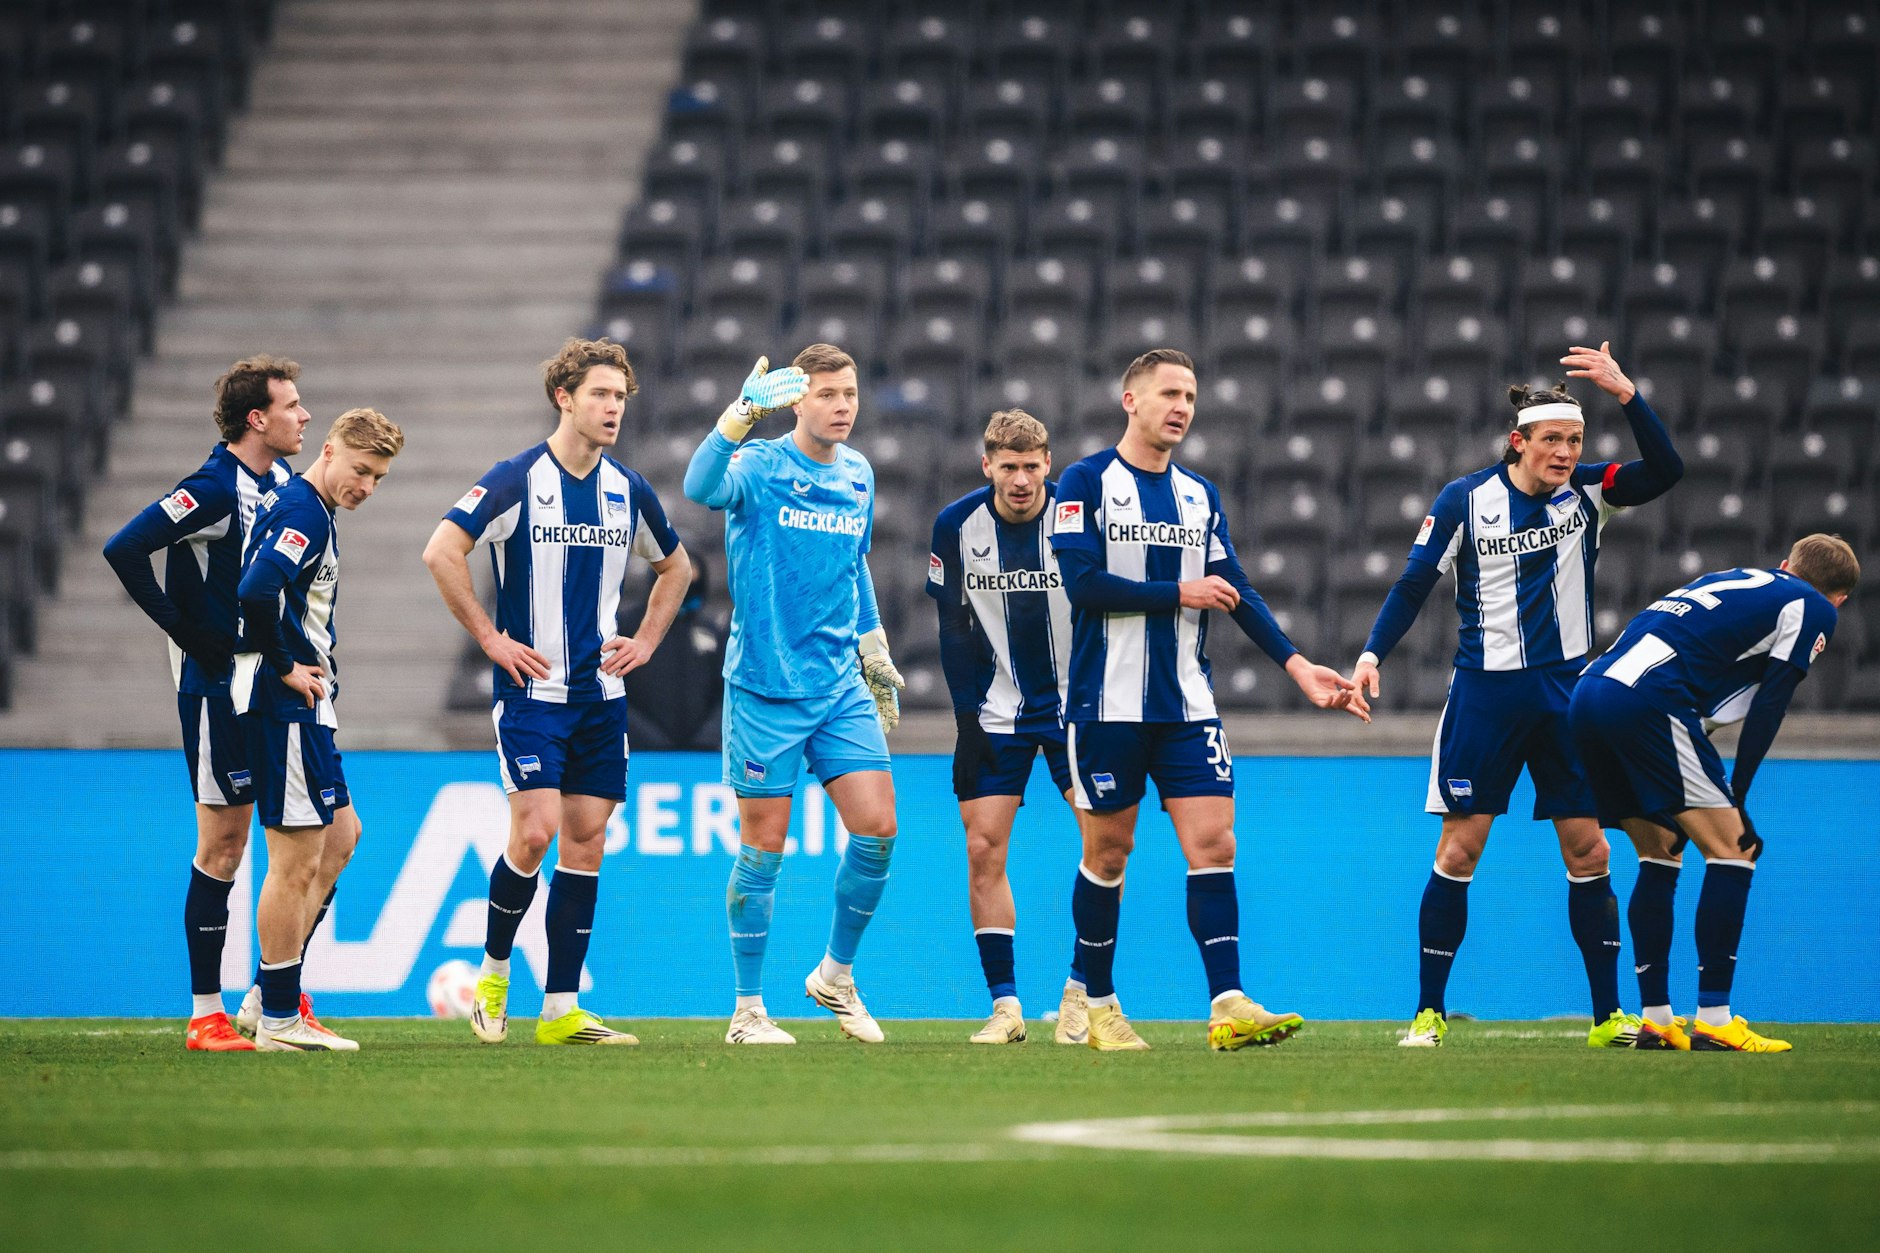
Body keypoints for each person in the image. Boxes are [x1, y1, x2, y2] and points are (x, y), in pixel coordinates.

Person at [1350, 342, 1685, 1049]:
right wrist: (1373, 652)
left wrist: (1628, 394)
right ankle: (1428, 1011)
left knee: (1590, 851)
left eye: (1574, 440)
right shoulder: (1463, 501)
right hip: (1486, 696)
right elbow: (1414, 583)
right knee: (1460, 850)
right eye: (1553, 440)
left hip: (1570, 696)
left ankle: (1607, 1017)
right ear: (1519, 441)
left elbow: (1667, 470)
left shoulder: (1589, 491)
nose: (1565, 452)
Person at [1048, 348, 1367, 1052]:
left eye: (1190, 395)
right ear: (1130, 400)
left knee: (1215, 842)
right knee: (1109, 851)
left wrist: (1296, 663)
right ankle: (1097, 1001)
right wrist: (1176, 592)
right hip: (1107, 706)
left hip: (1188, 706)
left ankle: (1227, 1001)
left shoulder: (1200, 495)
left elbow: (1236, 589)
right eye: (1169, 393)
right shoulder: (1085, 481)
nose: (1182, 407)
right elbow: (1083, 585)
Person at [422, 338, 689, 1047]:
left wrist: (649, 641)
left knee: (586, 841)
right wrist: (489, 636)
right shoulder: (515, 479)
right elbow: (442, 550)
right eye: (601, 394)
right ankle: (495, 971)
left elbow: (678, 568)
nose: (613, 408)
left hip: (601, 698)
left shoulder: (626, 489)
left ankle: (562, 1007)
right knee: (534, 831)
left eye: (622, 397)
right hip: (532, 696)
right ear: (563, 397)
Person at [683, 343, 904, 1045]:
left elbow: (853, 566)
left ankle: (835, 976)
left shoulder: (860, 474)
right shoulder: (761, 465)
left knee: (878, 828)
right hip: (765, 688)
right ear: (797, 399)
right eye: (828, 393)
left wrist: (874, 646)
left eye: (851, 393)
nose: (843, 405)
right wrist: (743, 412)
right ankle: (747, 1010)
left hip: (839, 684)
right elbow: (698, 485)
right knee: (764, 848)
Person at [1571, 533, 1858, 1053]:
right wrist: (1739, 791)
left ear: (1785, 563)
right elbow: (1773, 700)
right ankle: (1714, 1019)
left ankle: (1657, 1020)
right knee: (1735, 848)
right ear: (1839, 598)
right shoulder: (1815, 606)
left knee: (1660, 851)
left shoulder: (1735, 580)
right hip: (1649, 701)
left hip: (1591, 692)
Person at [102, 355, 307, 1051]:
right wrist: (185, 631)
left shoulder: (279, 482)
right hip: (218, 687)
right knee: (222, 845)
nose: (304, 415)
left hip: (268, 681)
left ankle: (271, 994)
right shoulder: (214, 486)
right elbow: (125, 546)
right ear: (258, 418)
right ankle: (205, 1012)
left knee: (320, 836)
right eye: (292, 405)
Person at [232, 407, 404, 1050]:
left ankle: (263, 997)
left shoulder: (310, 508)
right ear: (328, 451)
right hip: (284, 705)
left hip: (303, 706)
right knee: (295, 859)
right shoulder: (304, 509)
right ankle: (278, 1016)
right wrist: (286, 668)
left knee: (339, 838)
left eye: (380, 477)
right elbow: (254, 592)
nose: (367, 485)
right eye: (361, 470)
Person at [929, 409, 1088, 1045]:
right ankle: (1006, 1007)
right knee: (982, 849)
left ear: (1048, 464)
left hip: (1080, 709)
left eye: (1031, 466)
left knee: (1103, 848)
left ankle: (1082, 993)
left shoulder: (1079, 518)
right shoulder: (955, 526)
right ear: (986, 464)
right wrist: (965, 721)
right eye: (1008, 466)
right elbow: (952, 627)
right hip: (997, 714)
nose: (1020, 479)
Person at [619, 553, 727, 751]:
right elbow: (609, 686)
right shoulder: (625, 625)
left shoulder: (712, 631)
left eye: (690, 575)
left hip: (702, 758)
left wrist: (708, 736)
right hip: (640, 754)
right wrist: (643, 736)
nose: (683, 584)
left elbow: (725, 692)